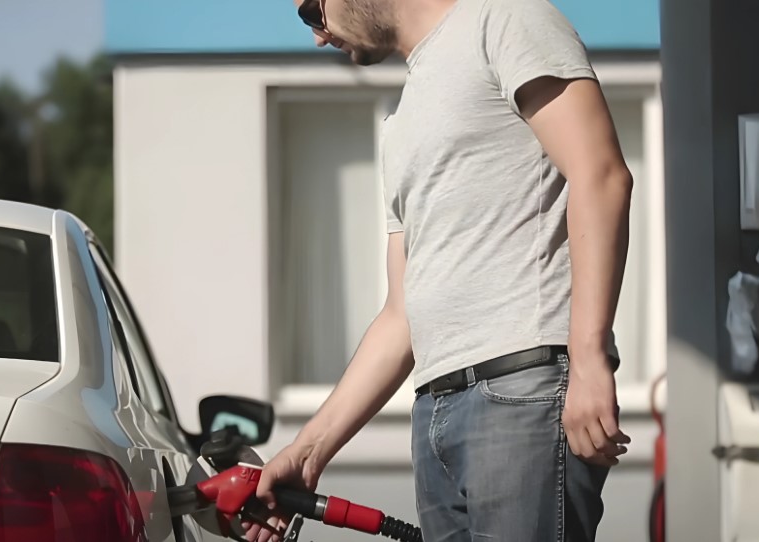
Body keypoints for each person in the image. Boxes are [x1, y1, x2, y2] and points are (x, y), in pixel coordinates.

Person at [244, 0, 634, 540]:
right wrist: (308, 451)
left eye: (312, 12)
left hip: (521, 394)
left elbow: (601, 174)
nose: (318, 36)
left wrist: (591, 357)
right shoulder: (400, 123)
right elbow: (401, 314)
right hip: (434, 415)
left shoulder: (505, 19)